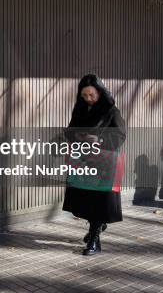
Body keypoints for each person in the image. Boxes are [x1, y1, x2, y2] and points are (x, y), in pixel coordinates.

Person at [63, 74, 126, 256]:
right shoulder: (80, 108)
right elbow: (71, 129)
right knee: (85, 201)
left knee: (98, 202)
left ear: (99, 92)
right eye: (84, 96)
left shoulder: (111, 111)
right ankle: (96, 228)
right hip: (82, 161)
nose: (88, 99)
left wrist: (99, 139)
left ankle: (94, 240)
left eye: (91, 95)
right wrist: (76, 136)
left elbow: (120, 136)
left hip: (104, 163)